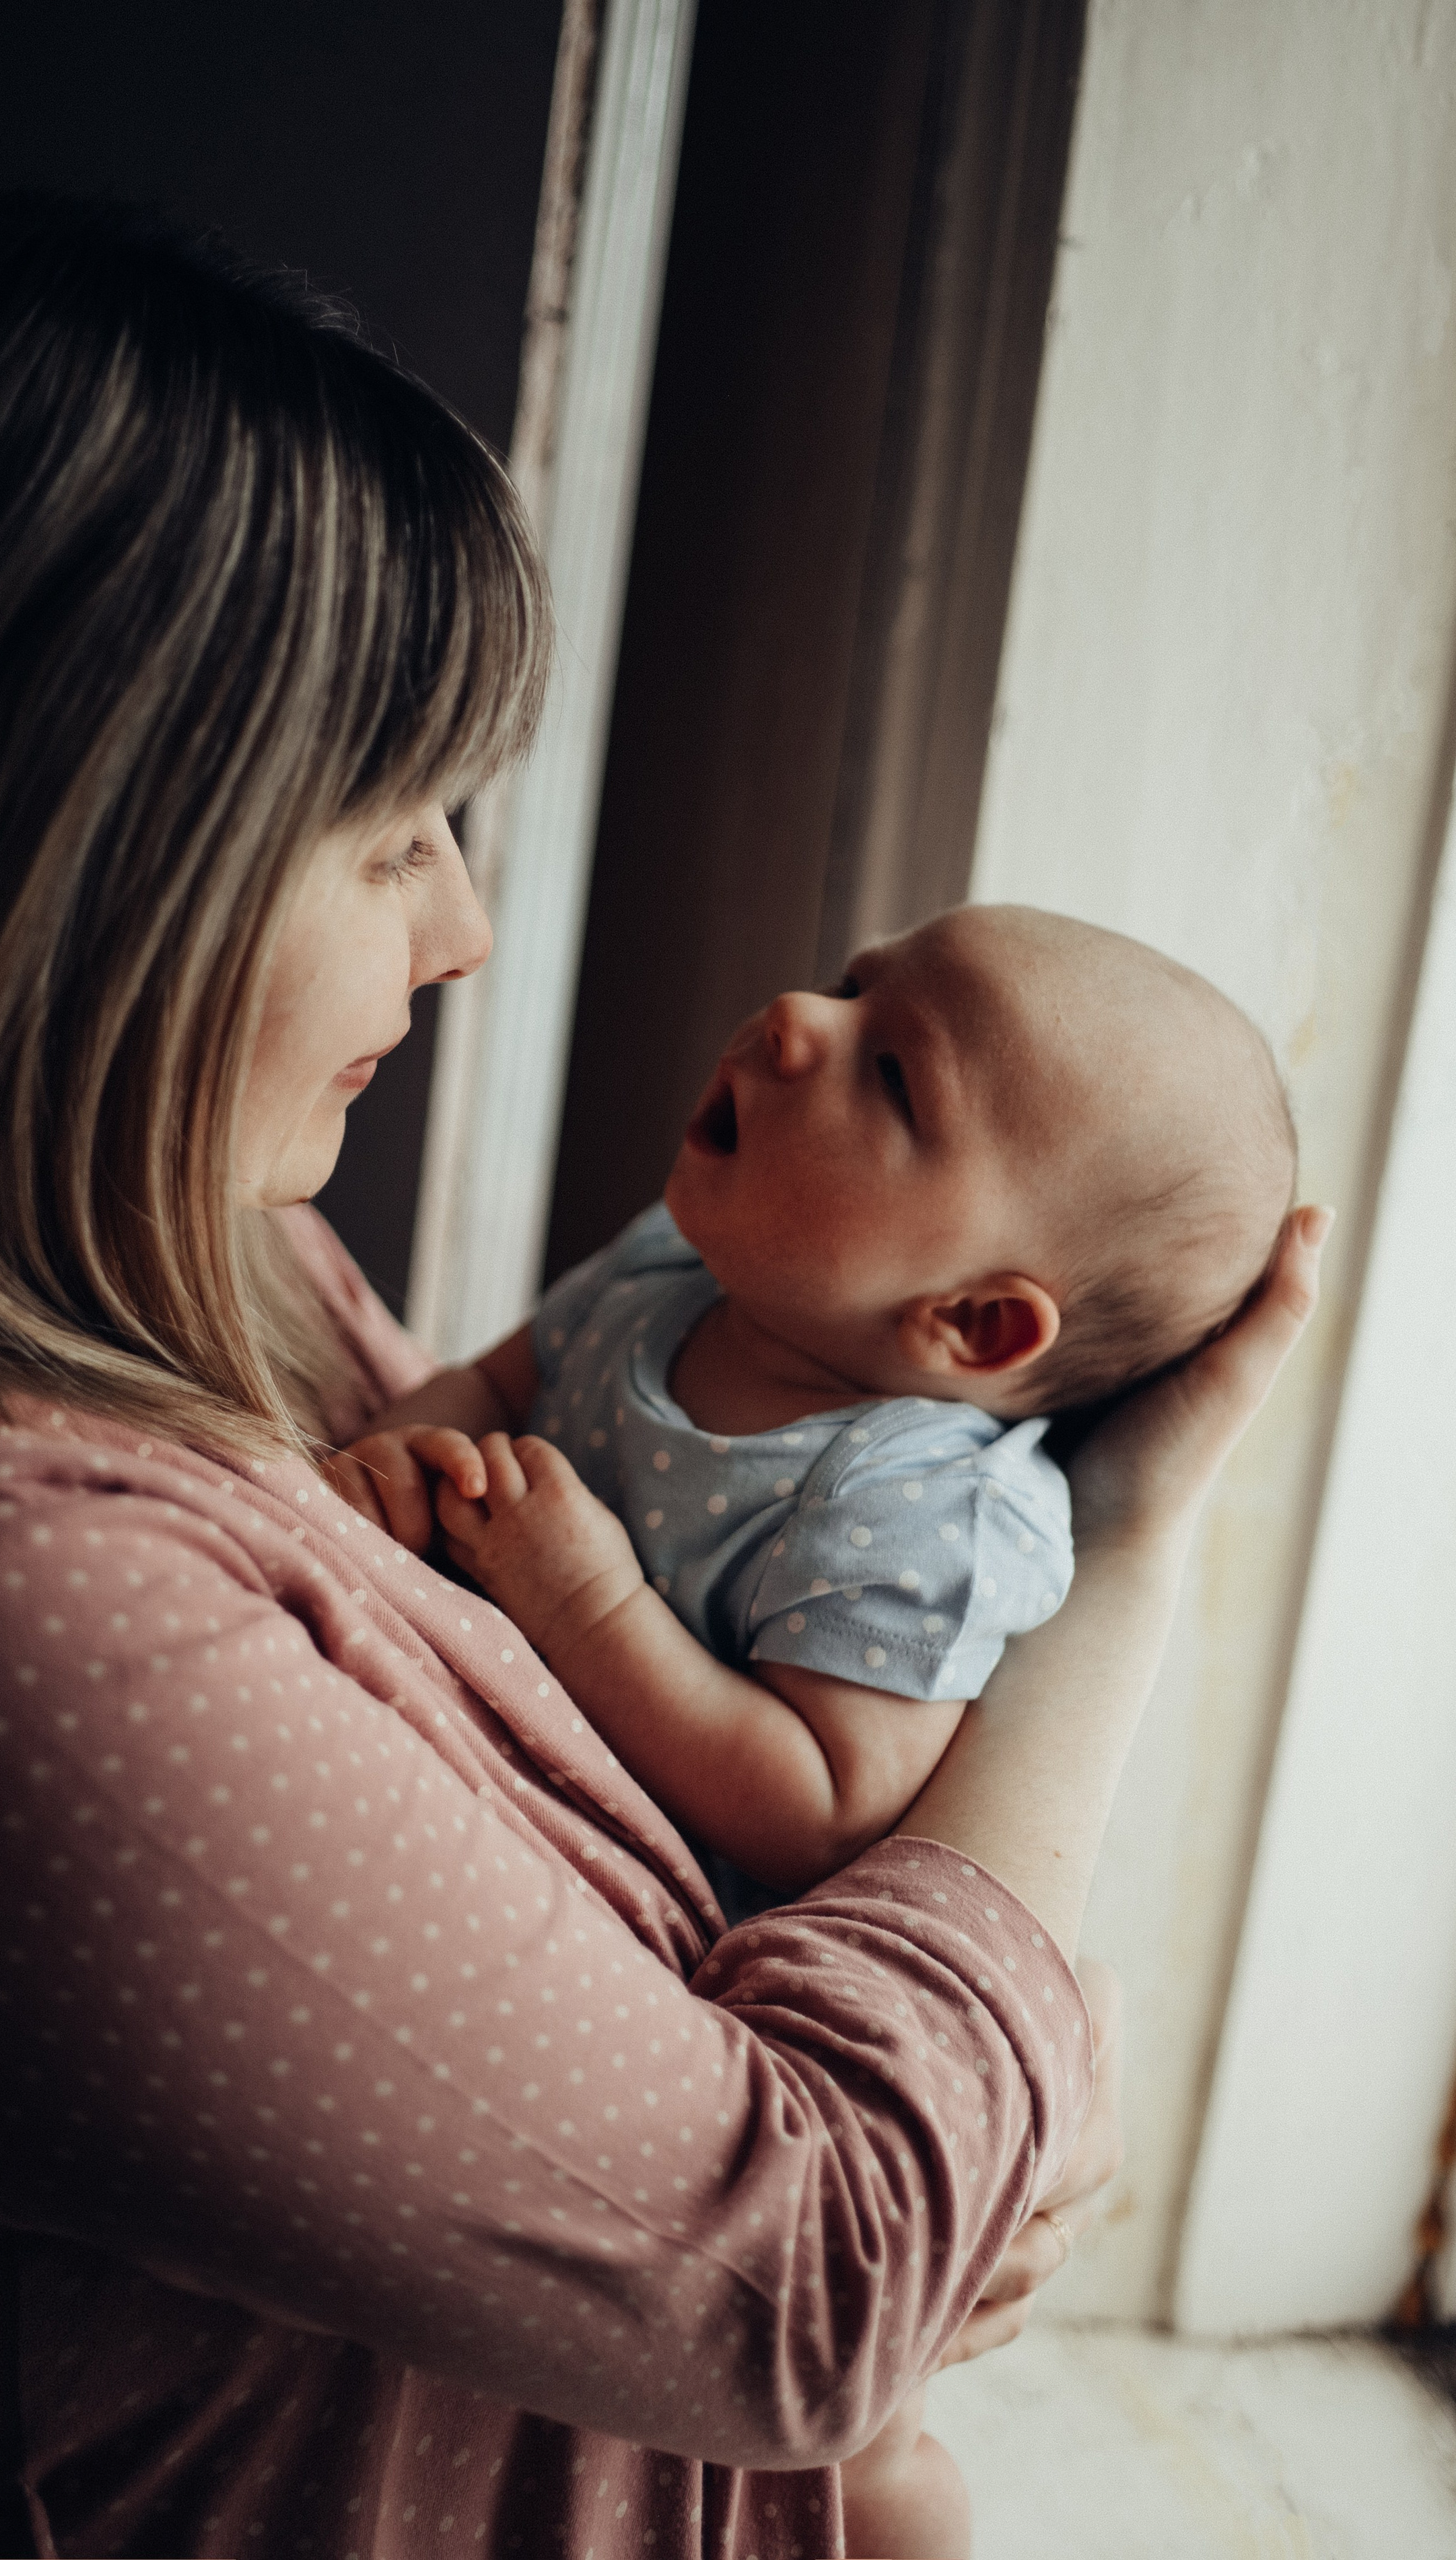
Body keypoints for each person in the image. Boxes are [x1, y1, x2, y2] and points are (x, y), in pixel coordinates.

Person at [0, 189, 1329, 2560]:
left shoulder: (204, 1256)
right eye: (392, 835)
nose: (468, 926)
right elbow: (821, 2282)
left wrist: (935, 2112)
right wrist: (1116, 1565)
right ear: (99, 873)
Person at [326, 907, 1297, 2555]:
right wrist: (393, 1462)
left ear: (977, 1329)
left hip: (760, 1986)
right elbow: (498, 1379)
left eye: (891, 1074)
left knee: (860, 2454)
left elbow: (828, 1809)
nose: (790, 1019)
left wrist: (586, 1606)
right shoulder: (667, 1266)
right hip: (576, 1905)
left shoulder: (916, 1504)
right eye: (853, 988)